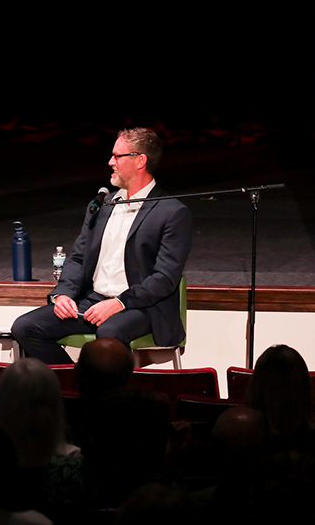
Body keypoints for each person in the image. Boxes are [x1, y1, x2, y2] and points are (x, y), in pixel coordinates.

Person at [11, 128, 191, 365]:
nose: (110, 162)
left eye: (117, 156)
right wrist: (63, 293)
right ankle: (75, 387)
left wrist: (119, 303)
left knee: (109, 333)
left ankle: (105, 397)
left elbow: (164, 278)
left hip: (142, 306)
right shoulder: (102, 205)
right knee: (25, 327)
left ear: (140, 160)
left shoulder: (172, 212)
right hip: (93, 301)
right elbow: (77, 258)